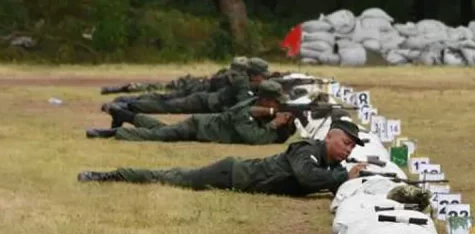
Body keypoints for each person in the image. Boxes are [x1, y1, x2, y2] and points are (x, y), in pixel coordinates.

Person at [78, 116, 369, 197]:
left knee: (173, 176)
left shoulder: (330, 164)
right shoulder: (305, 149)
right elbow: (307, 178)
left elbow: (328, 182)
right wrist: (344, 175)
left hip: (239, 179)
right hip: (231, 173)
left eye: (352, 147)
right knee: (172, 177)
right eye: (345, 143)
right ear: (329, 136)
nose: (347, 150)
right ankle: (107, 175)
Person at [85, 80, 296, 145]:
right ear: (267, 100)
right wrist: (273, 124)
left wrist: (286, 124)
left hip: (199, 125)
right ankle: (111, 133)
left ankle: (124, 116)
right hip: (198, 127)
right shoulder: (245, 113)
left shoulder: (254, 106)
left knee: (162, 129)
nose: (279, 107)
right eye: (276, 103)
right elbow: (253, 138)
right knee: (158, 136)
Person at [115, 57, 269, 116]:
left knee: (166, 100)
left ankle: (127, 101)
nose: (264, 78)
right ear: (254, 75)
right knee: (166, 105)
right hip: (202, 101)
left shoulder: (243, 81)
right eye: (262, 75)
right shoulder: (242, 83)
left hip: (204, 100)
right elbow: (241, 104)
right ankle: (127, 105)